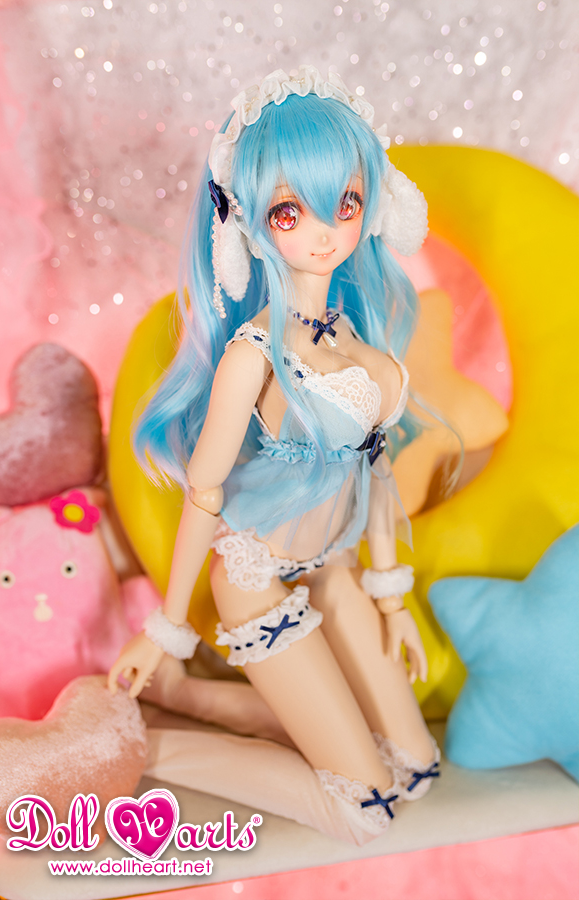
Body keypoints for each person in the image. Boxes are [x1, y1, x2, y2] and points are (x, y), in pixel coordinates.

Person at [109, 66, 440, 845]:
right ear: (252, 223)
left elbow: (375, 467)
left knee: (417, 768)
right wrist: (165, 629)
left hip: (332, 566)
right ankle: (147, 746)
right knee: (365, 809)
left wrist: (392, 598)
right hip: (258, 577)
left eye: (345, 204)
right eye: (291, 212)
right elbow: (205, 494)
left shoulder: (359, 333)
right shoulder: (253, 355)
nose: (324, 232)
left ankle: (197, 698)